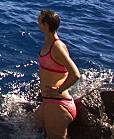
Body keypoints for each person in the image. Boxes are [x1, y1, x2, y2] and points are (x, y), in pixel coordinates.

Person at [35, 9, 81, 139]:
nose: (37, 22)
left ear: (46, 25)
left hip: (58, 104)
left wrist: (59, 90)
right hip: (48, 102)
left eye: (40, 20)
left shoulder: (57, 47)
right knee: (28, 126)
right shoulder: (48, 42)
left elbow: (75, 74)